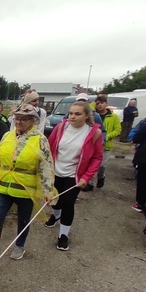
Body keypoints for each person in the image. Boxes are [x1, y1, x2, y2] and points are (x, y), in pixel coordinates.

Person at [0, 104, 54, 260]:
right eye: (17, 118)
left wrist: (48, 190)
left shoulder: (40, 139)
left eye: (24, 119)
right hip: (3, 187)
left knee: (24, 220)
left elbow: (46, 166)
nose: (19, 122)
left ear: (33, 121)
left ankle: (20, 246)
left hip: (25, 189)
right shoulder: (7, 136)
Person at [47, 101, 104, 250]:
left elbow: (97, 158)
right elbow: (49, 146)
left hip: (75, 176)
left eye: (77, 114)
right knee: (54, 201)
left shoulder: (94, 133)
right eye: (71, 113)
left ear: (86, 116)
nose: (72, 116)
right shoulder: (60, 128)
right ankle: (55, 215)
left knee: (67, 203)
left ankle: (63, 235)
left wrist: (87, 177)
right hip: (55, 172)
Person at [90, 96, 121, 190]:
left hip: (106, 145)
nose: (100, 105)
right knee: (91, 164)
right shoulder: (92, 115)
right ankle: (90, 183)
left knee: (101, 166)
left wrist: (107, 136)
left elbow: (118, 130)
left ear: (106, 104)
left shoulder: (113, 116)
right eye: (98, 103)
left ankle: (101, 176)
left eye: (102, 103)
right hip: (93, 144)